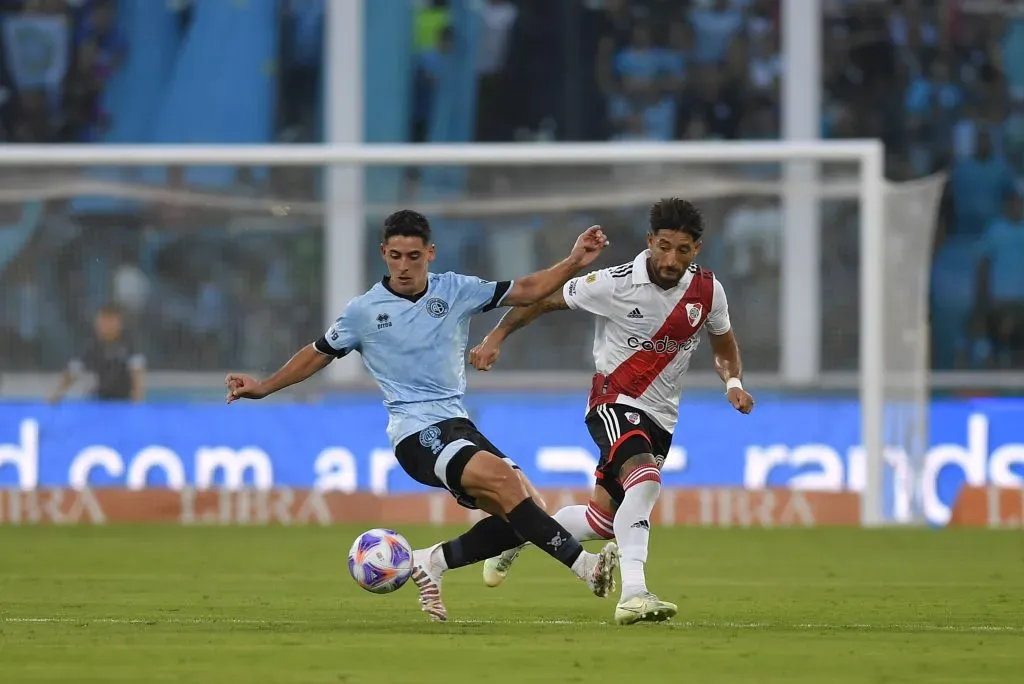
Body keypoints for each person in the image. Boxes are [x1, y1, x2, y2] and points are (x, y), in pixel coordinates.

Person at [225, 210, 619, 622]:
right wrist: (264, 386)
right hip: (416, 434)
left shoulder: (456, 290)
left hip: (457, 424)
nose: (404, 266)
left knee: (527, 513)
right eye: (395, 256)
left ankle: (431, 561)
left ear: (430, 253)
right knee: (505, 481)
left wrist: (575, 260)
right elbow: (317, 353)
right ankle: (586, 567)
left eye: (413, 256)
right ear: (384, 253)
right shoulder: (364, 311)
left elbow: (527, 289)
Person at [469, 198, 755, 625]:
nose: (670, 259)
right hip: (614, 401)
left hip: (662, 418)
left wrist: (733, 383)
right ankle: (634, 594)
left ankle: (519, 537)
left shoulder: (707, 291)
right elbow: (543, 299)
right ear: (649, 241)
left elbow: (724, 343)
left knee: (602, 521)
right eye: (663, 247)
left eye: (682, 250)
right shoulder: (613, 283)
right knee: (646, 481)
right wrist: (497, 336)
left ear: (696, 249)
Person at [50, 304, 146, 403]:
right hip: (100, 397)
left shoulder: (129, 344)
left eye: (109, 322)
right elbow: (74, 370)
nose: (104, 326)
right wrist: (58, 393)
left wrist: (136, 404)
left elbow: (137, 375)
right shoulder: (92, 344)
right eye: (101, 322)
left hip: (124, 400)